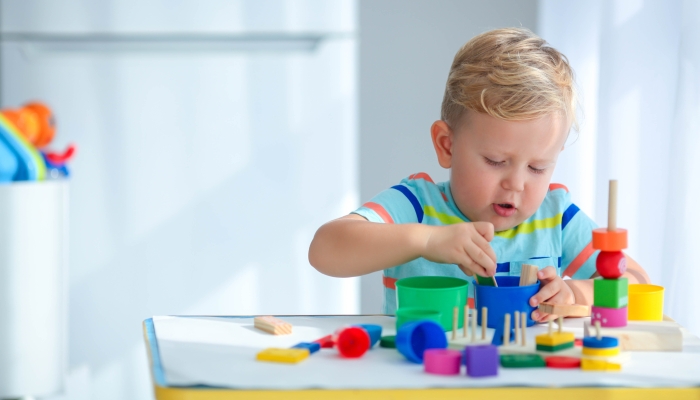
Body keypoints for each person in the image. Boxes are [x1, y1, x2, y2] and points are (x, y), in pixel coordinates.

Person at [308, 28, 650, 322]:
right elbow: (325, 250)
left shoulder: (555, 216)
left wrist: (577, 292)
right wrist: (427, 241)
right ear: (447, 145)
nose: (515, 184)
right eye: (495, 160)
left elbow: (638, 285)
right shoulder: (417, 206)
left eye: (537, 167)